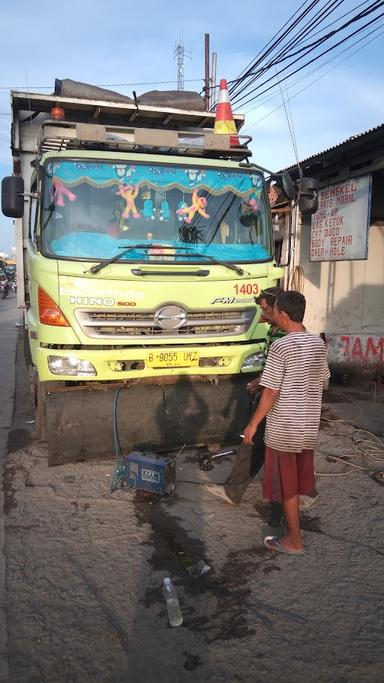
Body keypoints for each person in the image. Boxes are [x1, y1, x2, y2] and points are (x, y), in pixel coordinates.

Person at [243, 291, 330, 555]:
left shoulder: (282, 347)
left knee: (287, 485)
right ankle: (292, 525)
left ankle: (294, 539)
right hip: (308, 425)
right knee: (296, 480)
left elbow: (270, 392)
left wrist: (253, 424)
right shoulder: (317, 343)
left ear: (282, 314)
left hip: (284, 428)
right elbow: (324, 380)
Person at [206, 287, 284, 505]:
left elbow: (278, 383)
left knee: (253, 443)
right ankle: (300, 492)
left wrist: (254, 421)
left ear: (279, 310)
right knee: (267, 448)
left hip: (276, 401)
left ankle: (234, 491)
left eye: (265, 310)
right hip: (271, 395)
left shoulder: (287, 337)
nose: (261, 315)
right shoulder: (275, 331)